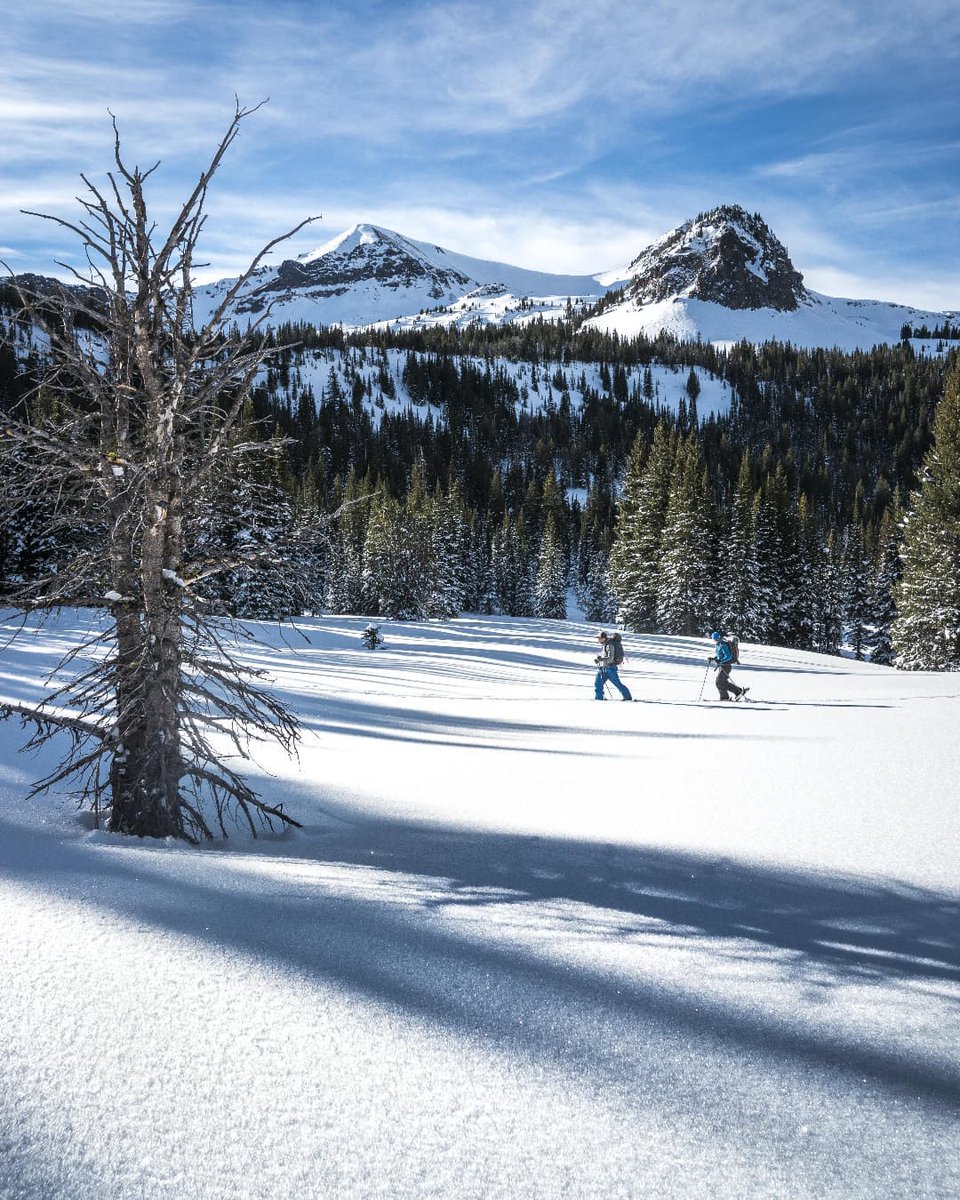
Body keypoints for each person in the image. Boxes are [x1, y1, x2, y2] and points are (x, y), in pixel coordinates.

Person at [708, 631, 748, 701]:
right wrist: (713, 658)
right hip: (723, 666)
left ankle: (724, 698)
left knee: (719, 682)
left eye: (714, 639)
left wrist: (721, 661)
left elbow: (728, 656)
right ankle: (738, 691)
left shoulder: (723, 645)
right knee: (723, 682)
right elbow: (719, 656)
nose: (714, 640)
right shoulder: (718, 644)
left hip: (726, 666)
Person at [594, 631, 632, 700]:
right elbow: (605, 656)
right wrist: (599, 659)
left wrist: (601, 659)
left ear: (603, 638)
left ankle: (627, 697)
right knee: (598, 683)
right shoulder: (605, 644)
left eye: (599, 638)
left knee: (618, 684)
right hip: (604, 668)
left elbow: (610, 658)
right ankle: (598, 698)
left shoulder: (609, 645)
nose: (598, 640)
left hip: (610, 668)